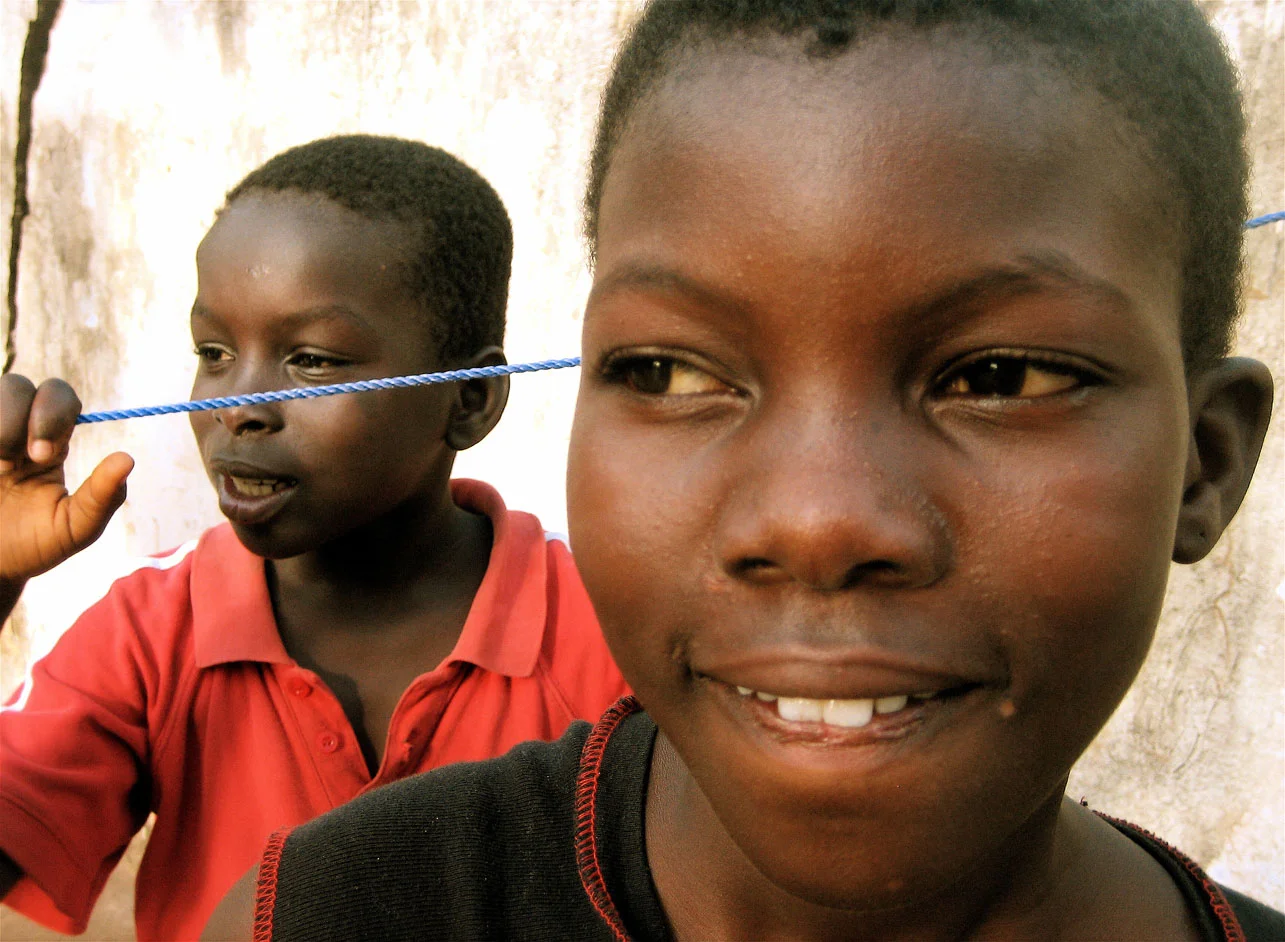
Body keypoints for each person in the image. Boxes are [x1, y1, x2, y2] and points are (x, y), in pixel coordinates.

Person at [212, 2, 1284, 939]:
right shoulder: (334, 911)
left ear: (1205, 463)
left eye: (1001, 376)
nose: (815, 523)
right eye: (670, 371)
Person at [0, 134, 628, 941]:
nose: (240, 405)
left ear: (467, 399)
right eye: (214, 353)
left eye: (310, 359)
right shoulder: (156, 631)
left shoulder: (599, 632)